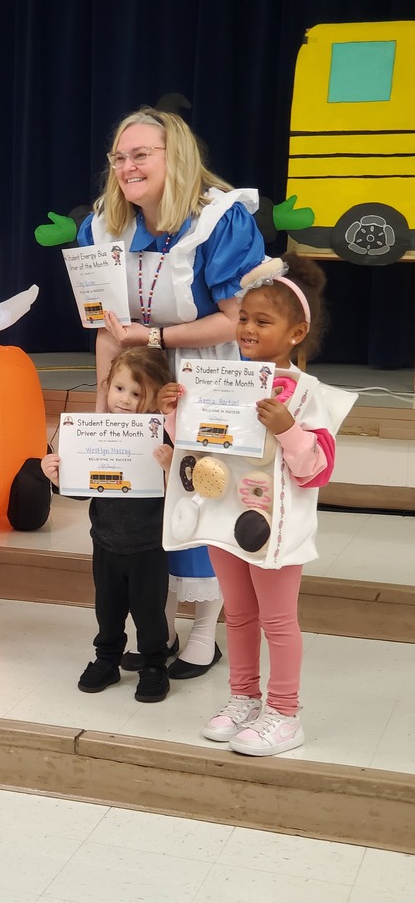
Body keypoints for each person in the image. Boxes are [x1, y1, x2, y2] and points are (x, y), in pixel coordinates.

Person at [78, 107, 265, 681]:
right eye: (120, 156)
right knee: (144, 507)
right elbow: (107, 331)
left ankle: (206, 635)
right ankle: (159, 631)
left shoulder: (221, 220)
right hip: (138, 383)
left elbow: (239, 321)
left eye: (142, 154)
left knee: (201, 498)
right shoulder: (102, 227)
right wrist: (102, 413)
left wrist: (154, 335)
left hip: (206, 377)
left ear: (174, 156)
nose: (128, 166)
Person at [162, 253, 354, 755]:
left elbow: (317, 469)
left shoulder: (310, 394)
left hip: (275, 528)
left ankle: (285, 713)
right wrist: (172, 416)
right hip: (226, 519)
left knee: (278, 622)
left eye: (262, 321)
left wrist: (288, 429)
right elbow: (200, 449)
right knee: (240, 616)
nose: (246, 328)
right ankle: (244, 698)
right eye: (243, 318)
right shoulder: (220, 381)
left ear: (295, 334)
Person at [41, 347, 173, 703]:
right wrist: (56, 476)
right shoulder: (91, 433)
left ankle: (154, 665)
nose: (125, 400)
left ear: (156, 397)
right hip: (105, 542)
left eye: (137, 393)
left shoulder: (162, 438)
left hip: (149, 545)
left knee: (149, 612)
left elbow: (183, 492)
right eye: (119, 389)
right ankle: (107, 660)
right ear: (106, 386)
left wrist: (171, 467)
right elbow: (82, 492)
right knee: (108, 609)